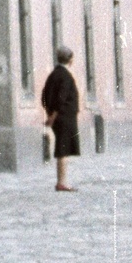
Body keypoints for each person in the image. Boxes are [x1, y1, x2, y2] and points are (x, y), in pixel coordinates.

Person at [42, 47, 81, 192]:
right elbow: (61, 98)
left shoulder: (53, 74)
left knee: (62, 148)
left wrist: (49, 113)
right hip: (64, 117)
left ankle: (61, 181)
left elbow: (44, 96)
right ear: (70, 59)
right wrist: (53, 116)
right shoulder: (65, 76)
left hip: (59, 117)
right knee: (63, 150)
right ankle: (62, 182)